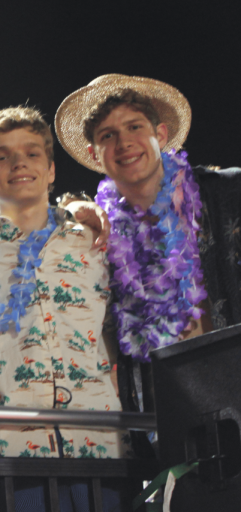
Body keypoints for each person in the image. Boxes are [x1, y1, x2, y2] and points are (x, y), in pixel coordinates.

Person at [0, 107, 129, 512]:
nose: (18, 163)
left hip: (99, 452)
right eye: (1, 156)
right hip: (5, 459)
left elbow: (121, 335)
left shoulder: (95, 244)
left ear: (52, 169)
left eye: (31, 153)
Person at [55, 74, 241, 440]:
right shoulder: (97, 233)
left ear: (161, 135)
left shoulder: (227, 194)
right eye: (107, 135)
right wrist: (67, 207)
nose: (124, 142)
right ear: (94, 154)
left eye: (134, 127)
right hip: (168, 426)